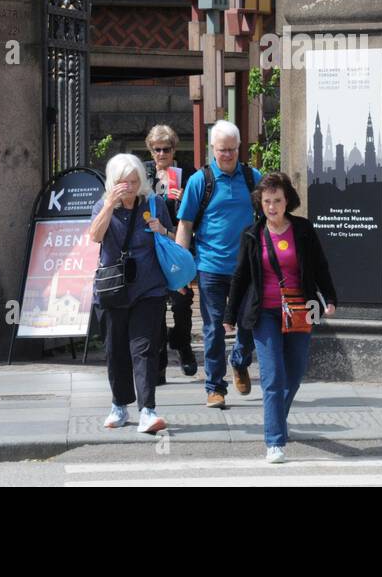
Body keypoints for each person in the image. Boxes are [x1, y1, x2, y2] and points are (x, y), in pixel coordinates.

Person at [224, 172, 337, 463]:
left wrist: (330, 297)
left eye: (277, 200)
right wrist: (230, 314)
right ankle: (274, 440)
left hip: (301, 309)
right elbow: (240, 276)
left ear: (288, 201)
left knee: (295, 373)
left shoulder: (303, 229)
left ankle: (277, 418)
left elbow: (321, 265)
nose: (272, 207)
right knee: (273, 376)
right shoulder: (252, 234)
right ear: (259, 203)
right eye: (266, 201)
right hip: (265, 312)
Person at [175, 120, 260, 408]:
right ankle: (215, 388)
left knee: (249, 322)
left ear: (239, 148)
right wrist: (181, 268)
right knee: (213, 328)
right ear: (213, 149)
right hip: (210, 266)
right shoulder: (201, 181)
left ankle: (239, 360)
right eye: (222, 150)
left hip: (246, 268)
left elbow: (268, 219)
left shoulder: (252, 178)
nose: (227, 155)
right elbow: (185, 225)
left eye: (232, 150)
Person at [88, 153, 173, 434]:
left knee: (144, 349)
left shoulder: (154, 203)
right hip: (114, 290)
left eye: (135, 181)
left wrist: (161, 230)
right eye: (125, 183)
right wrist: (110, 206)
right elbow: (95, 237)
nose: (131, 187)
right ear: (114, 183)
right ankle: (119, 405)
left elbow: (173, 240)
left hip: (149, 288)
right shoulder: (103, 204)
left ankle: (148, 410)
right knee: (116, 351)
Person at [143, 125, 198, 382]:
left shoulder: (186, 176)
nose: (162, 154)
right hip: (150, 248)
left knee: (182, 300)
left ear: (174, 150)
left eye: (166, 149)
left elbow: (197, 213)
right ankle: (160, 365)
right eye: (157, 150)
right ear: (151, 151)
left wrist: (184, 198)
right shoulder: (144, 175)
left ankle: (183, 344)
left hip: (176, 243)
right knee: (154, 307)